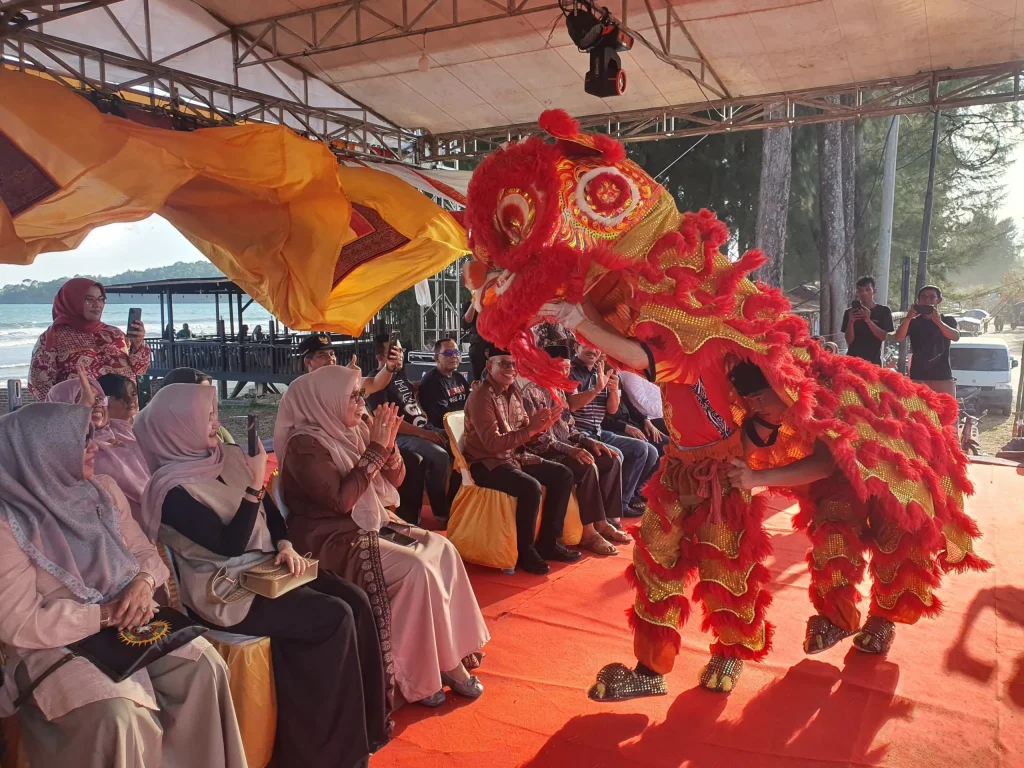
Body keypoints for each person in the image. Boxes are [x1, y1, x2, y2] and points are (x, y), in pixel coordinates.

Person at [134, 384, 390, 768]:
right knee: (331, 616)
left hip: (268, 566)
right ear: (178, 425)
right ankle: (326, 754)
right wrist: (254, 485)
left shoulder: (227, 456)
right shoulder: (170, 490)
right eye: (206, 417)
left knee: (353, 598)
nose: (216, 424)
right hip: (223, 589)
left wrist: (284, 545)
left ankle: (367, 728)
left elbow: (270, 514)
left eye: (214, 414)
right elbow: (228, 546)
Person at [0, 399, 245, 768]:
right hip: (53, 641)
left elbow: (148, 556)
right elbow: (20, 621)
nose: (95, 447)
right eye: (82, 441)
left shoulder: (102, 492)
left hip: (129, 619)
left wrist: (144, 584)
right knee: (119, 715)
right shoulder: (8, 523)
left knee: (204, 667)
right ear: (42, 452)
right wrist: (105, 614)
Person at [724, 360, 989, 656]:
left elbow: (823, 464)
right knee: (831, 530)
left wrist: (757, 478)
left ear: (781, 386)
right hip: (846, 471)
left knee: (896, 540)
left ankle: (884, 618)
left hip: (894, 469)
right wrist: (758, 425)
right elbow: (747, 448)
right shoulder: (770, 409)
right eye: (749, 400)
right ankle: (838, 616)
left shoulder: (823, 396)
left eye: (760, 396)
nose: (755, 404)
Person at [275, 365, 490, 708]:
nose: (361, 403)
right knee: (415, 569)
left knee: (444, 549)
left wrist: (388, 447)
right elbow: (341, 501)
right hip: (327, 538)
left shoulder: (354, 429)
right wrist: (375, 449)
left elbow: (398, 479)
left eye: (361, 394)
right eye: (353, 396)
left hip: (366, 522)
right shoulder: (305, 444)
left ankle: (450, 652)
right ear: (324, 401)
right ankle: (418, 675)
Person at [461, 347, 582, 575]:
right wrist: (532, 429)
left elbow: (526, 428)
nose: (511, 369)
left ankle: (548, 543)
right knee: (530, 487)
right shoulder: (481, 396)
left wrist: (541, 427)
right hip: (488, 463)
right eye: (504, 364)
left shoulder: (514, 391)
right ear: (490, 366)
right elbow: (492, 444)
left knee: (563, 475)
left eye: (514, 364)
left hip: (514, 456)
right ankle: (525, 551)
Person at [520, 344, 632, 555]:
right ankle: (589, 534)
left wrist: (590, 443)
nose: (565, 373)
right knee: (587, 465)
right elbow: (536, 437)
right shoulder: (530, 392)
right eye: (560, 368)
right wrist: (570, 450)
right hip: (543, 452)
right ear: (547, 366)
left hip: (565, 447)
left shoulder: (558, 390)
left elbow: (570, 427)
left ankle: (604, 521)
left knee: (609, 458)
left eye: (567, 368)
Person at [367, 333, 456, 526]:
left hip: (423, 428)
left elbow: (408, 399)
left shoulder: (400, 374)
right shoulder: (375, 382)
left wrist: (421, 403)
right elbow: (388, 422)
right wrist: (426, 434)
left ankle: (459, 507)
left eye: (400, 352)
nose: (399, 356)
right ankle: (441, 511)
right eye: (393, 353)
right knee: (439, 455)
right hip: (400, 436)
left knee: (461, 444)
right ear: (380, 358)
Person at [47, 374, 150, 531]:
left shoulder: (121, 429)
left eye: (100, 398)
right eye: (83, 400)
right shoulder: (71, 451)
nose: (96, 405)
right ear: (62, 408)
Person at [570, 347, 659, 517]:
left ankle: (625, 501)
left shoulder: (602, 371)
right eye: (586, 345)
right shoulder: (570, 372)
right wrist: (596, 389)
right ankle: (613, 510)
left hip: (599, 431)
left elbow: (612, 409)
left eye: (596, 347)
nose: (592, 351)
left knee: (648, 450)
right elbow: (572, 405)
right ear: (576, 347)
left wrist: (612, 390)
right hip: (578, 433)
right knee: (617, 454)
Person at [29, 278, 150, 401]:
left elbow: (140, 370)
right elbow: (41, 388)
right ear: (71, 301)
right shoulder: (52, 338)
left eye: (101, 299)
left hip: (125, 411)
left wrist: (138, 345)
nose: (97, 305)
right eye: (89, 299)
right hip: (82, 415)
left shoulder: (115, 334)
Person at [892, 284, 961, 397]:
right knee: (918, 413)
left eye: (931, 297)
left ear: (939, 300)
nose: (927, 300)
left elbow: (955, 336)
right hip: (918, 377)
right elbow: (898, 337)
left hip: (942, 377)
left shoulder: (947, 320)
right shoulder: (913, 321)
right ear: (918, 301)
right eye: (923, 297)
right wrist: (908, 317)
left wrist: (939, 322)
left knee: (946, 412)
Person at [297, 332, 399, 395]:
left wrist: (389, 366)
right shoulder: (300, 390)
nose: (330, 359)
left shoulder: (343, 382)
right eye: (322, 355)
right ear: (308, 362)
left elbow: (375, 384)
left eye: (332, 354)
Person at [162, 367, 236, 444]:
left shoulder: (218, 431)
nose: (209, 404)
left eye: (210, 396)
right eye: (202, 397)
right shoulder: (162, 437)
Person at [418, 336, 470, 429]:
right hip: (444, 429)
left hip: (463, 423)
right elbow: (443, 417)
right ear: (437, 358)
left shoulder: (459, 377)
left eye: (456, 352)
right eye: (448, 353)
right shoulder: (431, 382)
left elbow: (470, 403)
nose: (454, 356)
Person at [841, 276, 894, 366]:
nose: (864, 293)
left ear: (874, 291)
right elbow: (849, 341)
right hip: (853, 362)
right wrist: (851, 322)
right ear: (857, 293)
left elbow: (883, 337)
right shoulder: (849, 313)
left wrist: (868, 320)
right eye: (860, 290)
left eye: (867, 290)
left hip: (874, 363)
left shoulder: (884, 311)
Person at [462, 298, 489, 381]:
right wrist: (474, 302)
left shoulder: (499, 300)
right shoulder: (470, 303)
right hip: (478, 346)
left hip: (497, 346)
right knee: (480, 379)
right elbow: (465, 324)